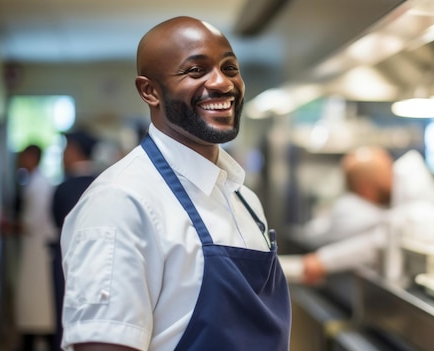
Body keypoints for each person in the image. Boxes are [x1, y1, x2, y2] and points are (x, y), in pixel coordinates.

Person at [60, 16, 291, 351]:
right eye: (196, 71)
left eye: (229, 68)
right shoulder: (121, 202)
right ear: (150, 91)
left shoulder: (244, 197)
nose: (222, 83)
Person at [290, 147, 395, 284]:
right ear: (366, 188)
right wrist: (324, 261)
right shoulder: (354, 211)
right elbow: (380, 238)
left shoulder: (365, 209)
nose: (394, 177)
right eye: (388, 172)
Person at [49, 130, 99, 351]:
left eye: (65, 149)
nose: (62, 154)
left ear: (75, 151)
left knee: (66, 313)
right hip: (98, 260)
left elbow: (56, 221)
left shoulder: (65, 187)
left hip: (67, 258)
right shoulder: (103, 181)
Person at [14, 145, 57, 351]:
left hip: (38, 252)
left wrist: (8, 226)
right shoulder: (33, 182)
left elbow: (32, 222)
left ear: (32, 157)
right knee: (34, 304)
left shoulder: (39, 185)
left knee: (38, 304)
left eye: (24, 156)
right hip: (34, 250)